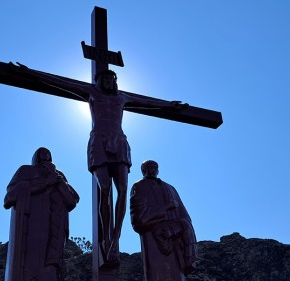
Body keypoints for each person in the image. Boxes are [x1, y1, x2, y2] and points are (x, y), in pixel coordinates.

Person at [10, 62, 186, 265]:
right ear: (99, 81)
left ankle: (115, 238)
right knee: (104, 189)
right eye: (105, 79)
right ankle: (106, 237)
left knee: (122, 190)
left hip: (119, 143)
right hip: (98, 143)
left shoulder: (122, 97)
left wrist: (170, 105)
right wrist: (30, 72)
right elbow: (60, 82)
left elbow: (146, 101)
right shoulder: (91, 92)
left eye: (112, 79)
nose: (109, 81)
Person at [0, 147, 79, 281]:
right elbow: (10, 197)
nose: (46, 157)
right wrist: (44, 183)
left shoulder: (59, 175)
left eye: (48, 155)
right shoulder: (25, 171)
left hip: (51, 238)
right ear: (35, 158)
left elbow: (72, 200)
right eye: (42, 154)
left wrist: (57, 180)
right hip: (28, 236)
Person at [130, 160, 197, 281]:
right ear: (142, 171)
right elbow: (138, 220)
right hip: (154, 244)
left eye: (153, 167)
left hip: (174, 242)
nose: (150, 170)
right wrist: (164, 208)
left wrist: (180, 229)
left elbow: (184, 215)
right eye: (146, 168)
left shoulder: (170, 188)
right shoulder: (138, 187)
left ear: (158, 169)